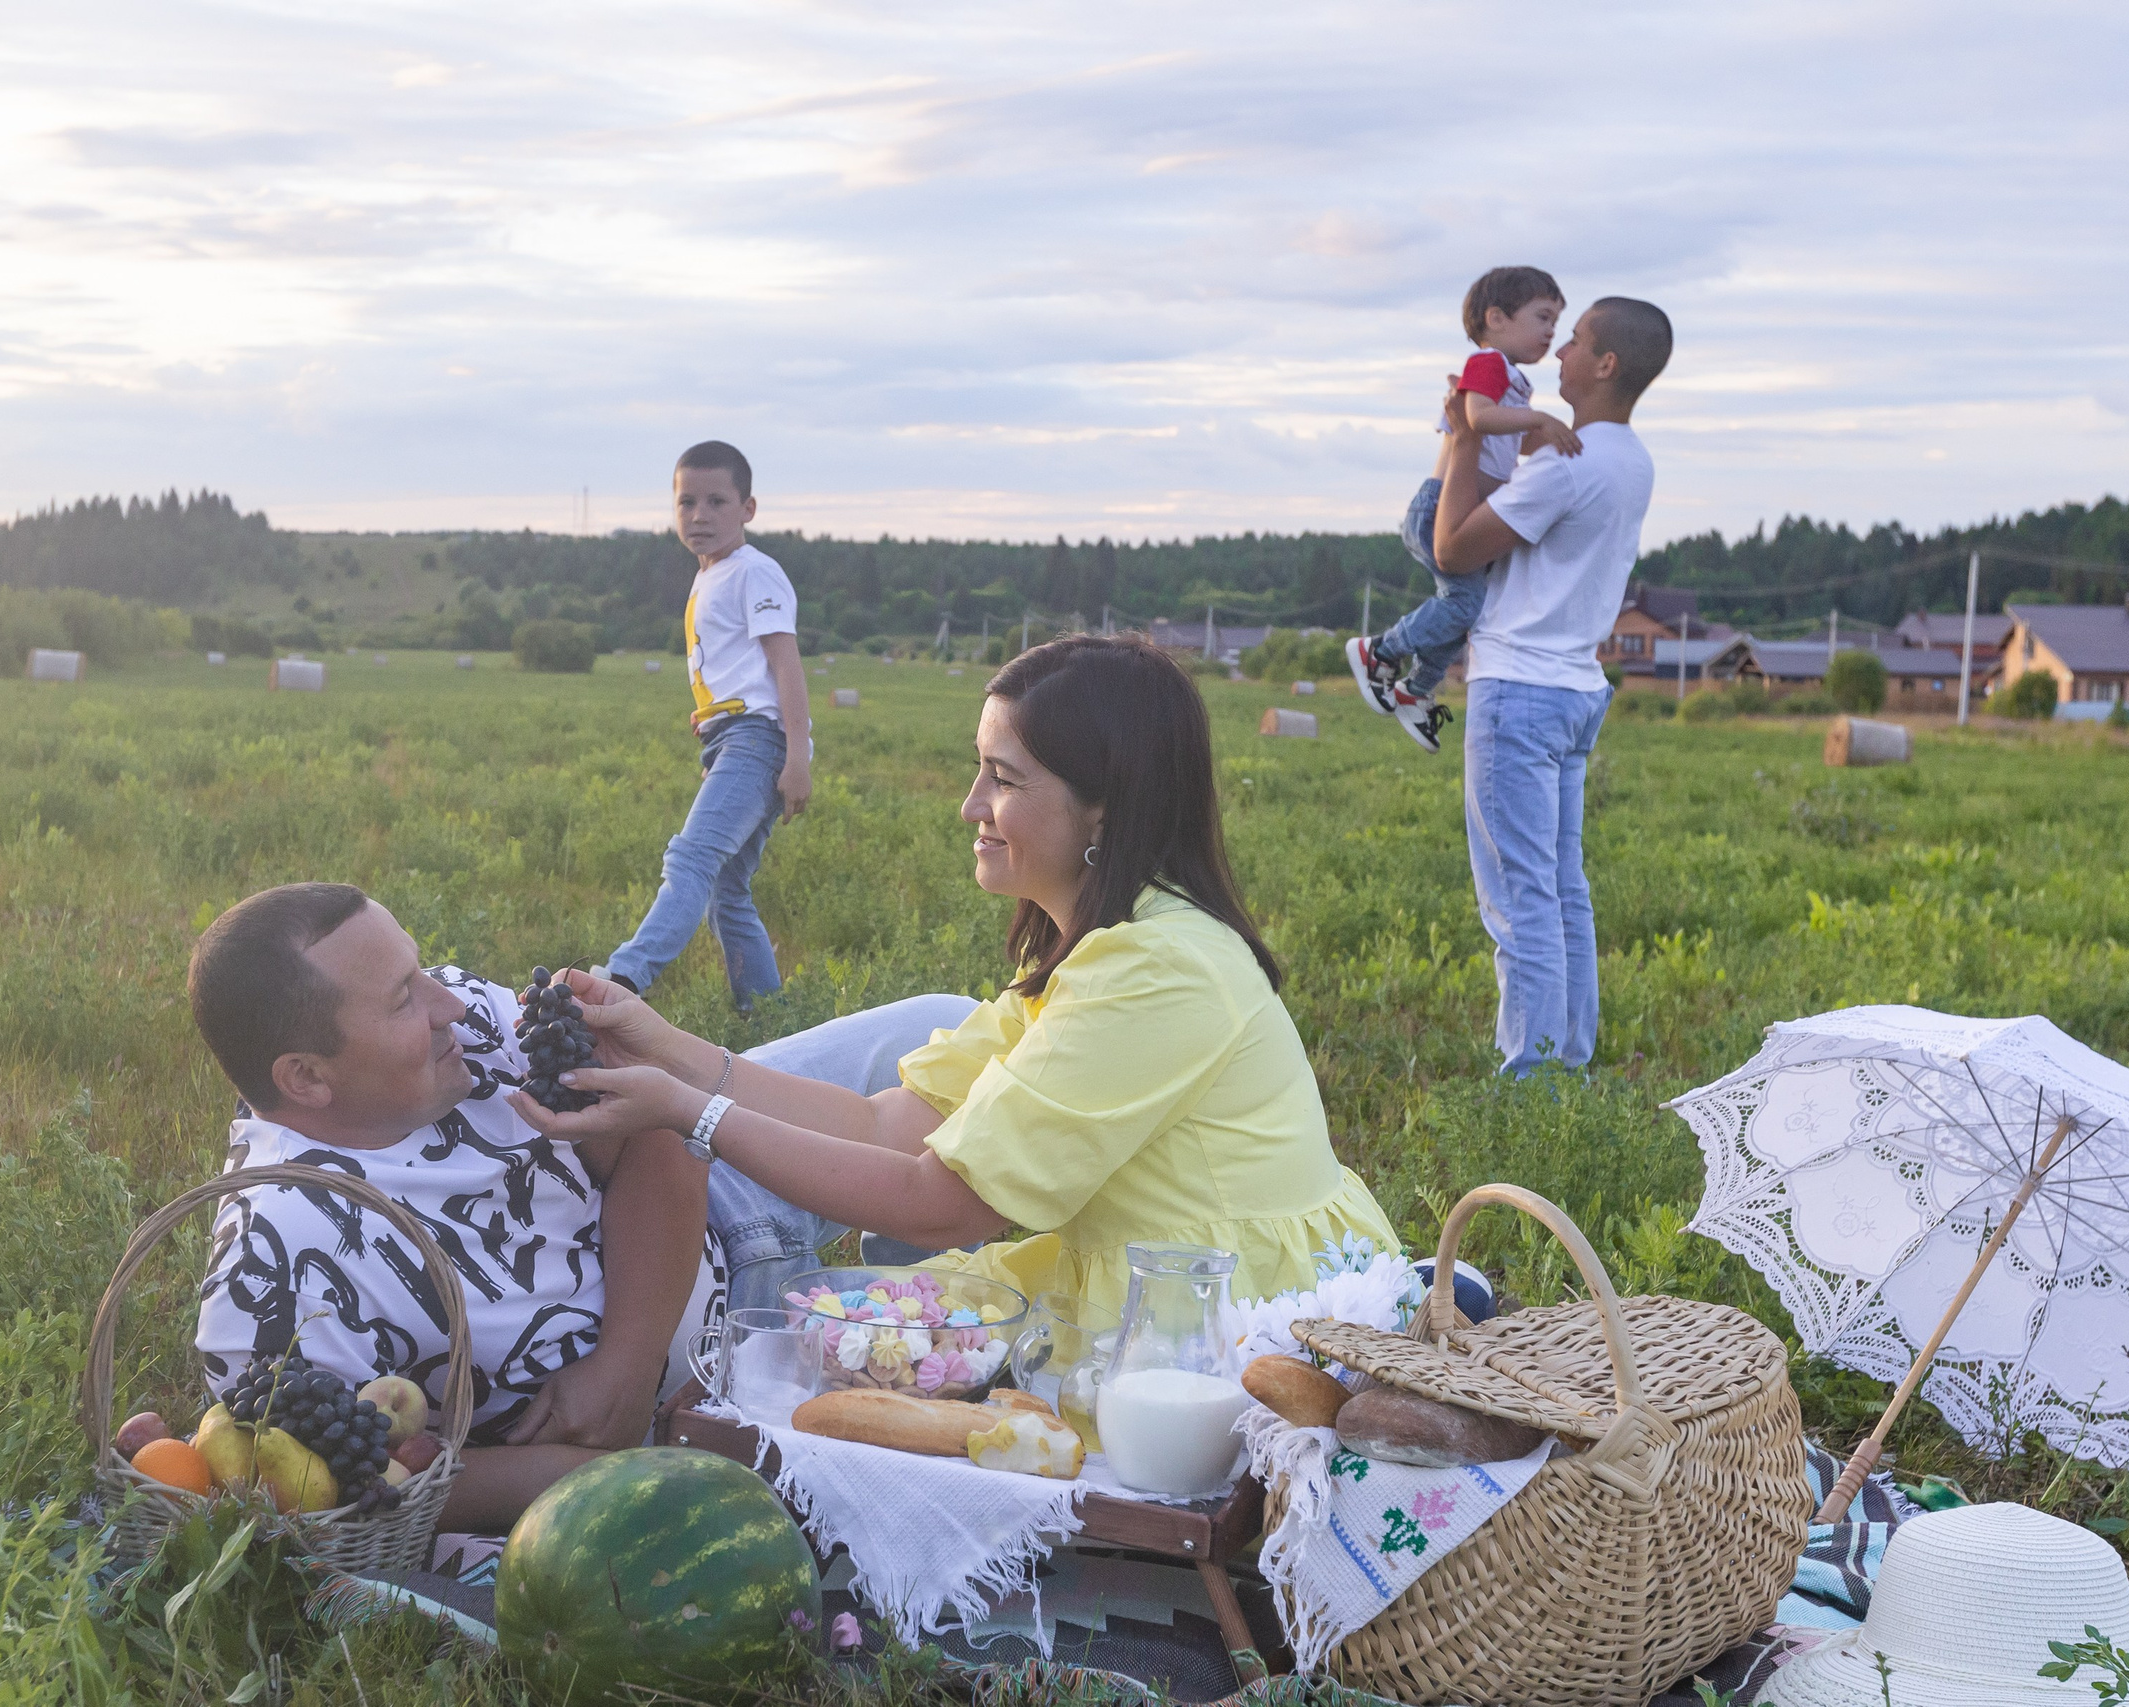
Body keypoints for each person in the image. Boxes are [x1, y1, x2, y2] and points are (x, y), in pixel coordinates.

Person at [519, 634, 1401, 1323]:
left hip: (1234, 1319)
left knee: (845, 1334)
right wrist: (660, 1043)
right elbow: (884, 1123)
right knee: (865, 1320)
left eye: (1002, 778)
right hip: (1168, 1281)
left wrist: (688, 1115)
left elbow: (940, 1205)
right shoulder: (1105, 941)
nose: (971, 806)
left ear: (1105, 806)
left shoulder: (1157, 968)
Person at [186, 882, 721, 1530]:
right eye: (402, 998)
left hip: (735, 1201)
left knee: (879, 1094)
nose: (451, 1003)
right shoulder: (277, 1267)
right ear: (306, 1077)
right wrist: (642, 1466)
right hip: (702, 1410)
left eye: (417, 967)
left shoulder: (460, 1024)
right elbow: (362, 1495)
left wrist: (629, 1362)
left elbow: (663, 1124)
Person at [1428, 297, 1672, 1076]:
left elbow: (1453, 549)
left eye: (1574, 341)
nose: (1557, 352)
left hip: (1520, 689)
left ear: (1605, 366)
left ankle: (1530, 1082)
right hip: (1574, 688)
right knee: (1563, 892)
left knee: (1520, 901)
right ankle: (1567, 1063)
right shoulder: (1632, 459)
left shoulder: (1566, 463)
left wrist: (1466, 434)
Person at [603, 440, 813, 1008]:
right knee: (726, 890)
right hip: (731, 742)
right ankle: (767, 1020)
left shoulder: (754, 573)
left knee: (690, 859)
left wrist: (797, 757)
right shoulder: (711, 577)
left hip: (759, 737)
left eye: (717, 501)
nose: (699, 515)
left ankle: (623, 979)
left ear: (748, 508)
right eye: (686, 502)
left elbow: (785, 666)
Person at [1346, 266, 1582, 753]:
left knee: (1470, 611)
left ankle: (1417, 689)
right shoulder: (1489, 364)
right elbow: (1477, 419)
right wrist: (1541, 420)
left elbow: (1509, 436)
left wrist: (1551, 439)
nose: (1550, 332)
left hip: (1469, 510)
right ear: (1496, 318)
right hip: (1441, 511)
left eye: (1556, 322)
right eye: (1542, 317)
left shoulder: (1513, 381)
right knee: (1463, 603)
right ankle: (1379, 651)